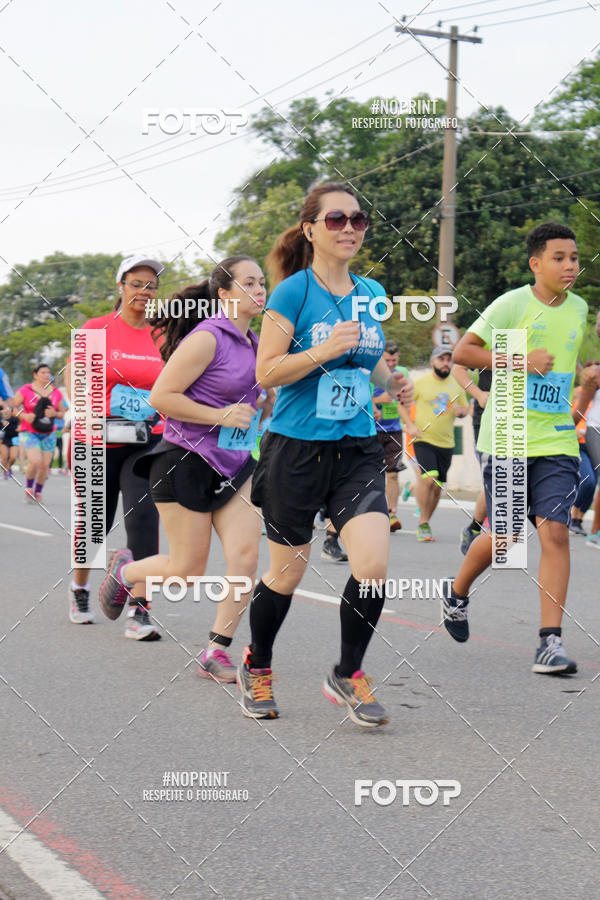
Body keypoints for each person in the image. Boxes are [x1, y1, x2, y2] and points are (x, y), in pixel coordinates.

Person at [238, 181, 413, 727]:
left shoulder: (370, 290)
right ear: (311, 229)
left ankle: (348, 670)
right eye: (337, 220)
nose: (350, 230)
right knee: (286, 574)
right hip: (295, 449)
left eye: (359, 220)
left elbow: (370, 358)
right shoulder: (291, 292)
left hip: (357, 449)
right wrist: (323, 350)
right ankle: (257, 663)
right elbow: (266, 371)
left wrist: (393, 381)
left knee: (374, 565)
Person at [98, 259, 273, 682]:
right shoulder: (206, 338)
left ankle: (217, 650)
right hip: (185, 461)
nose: (260, 289)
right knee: (187, 570)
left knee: (245, 557)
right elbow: (162, 396)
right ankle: (126, 570)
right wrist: (220, 413)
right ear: (225, 294)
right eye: (248, 282)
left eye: (262, 282)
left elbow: (253, 400)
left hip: (236, 464)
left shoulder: (255, 343)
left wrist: (262, 405)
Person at [446, 222, 586, 675]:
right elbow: (463, 354)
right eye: (560, 257)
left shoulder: (580, 308)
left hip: (557, 438)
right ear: (536, 263)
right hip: (507, 433)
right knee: (505, 539)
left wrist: (586, 378)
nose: (570, 265)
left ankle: (550, 642)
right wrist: (519, 360)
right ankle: (458, 592)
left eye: (574, 258)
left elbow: (565, 366)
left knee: (555, 533)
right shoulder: (511, 304)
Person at [65, 255, 165, 635]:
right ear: (120, 286)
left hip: (144, 439)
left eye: (151, 285)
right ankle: (79, 589)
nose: (144, 291)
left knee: (144, 519)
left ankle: (139, 610)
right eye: (136, 283)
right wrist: (88, 409)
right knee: (95, 523)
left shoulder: (161, 335)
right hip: (96, 437)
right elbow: (76, 377)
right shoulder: (97, 328)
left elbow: (172, 381)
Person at [412, 347, 469, 542]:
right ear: (432, 362)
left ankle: (426, 519)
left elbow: (464, 408)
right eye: (441, 359)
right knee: (430, 479)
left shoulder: (456, 385)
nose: (445, 363)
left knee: (437, 487)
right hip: (423, 439)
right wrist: (409, 426)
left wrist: (462, 411)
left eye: (448, 359)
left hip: (446, 442)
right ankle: (422, 521)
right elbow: (402, 403)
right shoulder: (420, 383)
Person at [372, 339, 416, 531]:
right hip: (372, 429)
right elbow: (362, 398)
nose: (390, 365)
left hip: (394, 430)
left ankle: (391, 513)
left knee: (392, 474)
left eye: (394, 361)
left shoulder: (402, 373)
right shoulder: (371, 372)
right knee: (373, 474)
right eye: (387, 360)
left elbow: (407, 401)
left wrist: (408, 422)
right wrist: (378, 400)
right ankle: (371, 513)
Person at [451, 363, 492, 553]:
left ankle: (475, 527)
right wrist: (478, 394)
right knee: (495, 475)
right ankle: (487, 533)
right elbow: (458, 368)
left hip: (523, 421)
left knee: (507, 478)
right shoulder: (489, 334)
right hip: (488, 421)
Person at [13, 364, 65, 502]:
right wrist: (23, 416)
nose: (47, 375)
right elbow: (13, 407)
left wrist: (55, 413)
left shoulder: (55, 392)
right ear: (35, 374)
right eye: (43, 372)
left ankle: (38, 492)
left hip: (49, 432)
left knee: (44, 465)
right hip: (30, 431)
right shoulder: (25, 390)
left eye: (48, 372)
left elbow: (61, 412)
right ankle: (29, 488)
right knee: (35, 461)